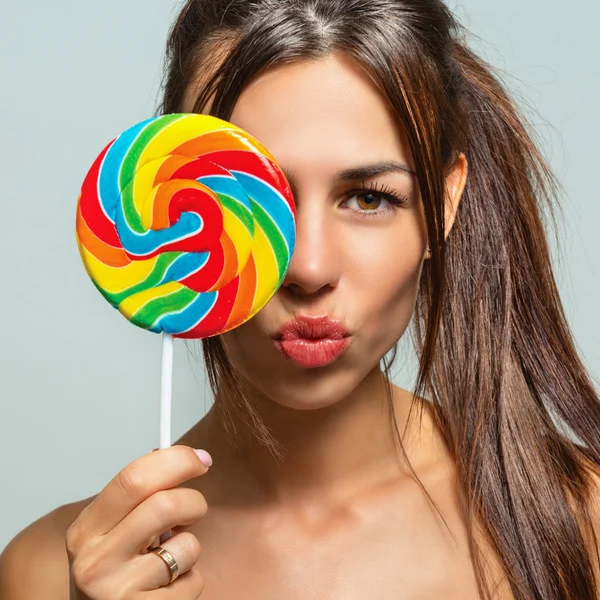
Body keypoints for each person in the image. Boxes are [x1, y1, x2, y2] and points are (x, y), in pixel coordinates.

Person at [2, 0, 600, 598]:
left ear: (443, 205)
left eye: (369, 198)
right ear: (171, 199)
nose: (309, 268)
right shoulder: (46, 573)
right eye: (252, 197)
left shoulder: (582, 523)